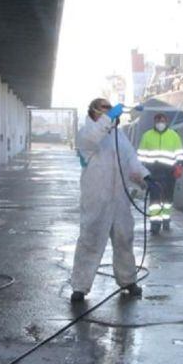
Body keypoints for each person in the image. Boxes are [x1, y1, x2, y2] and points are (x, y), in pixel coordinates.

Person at [70, 98, 147, 303]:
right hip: (97, 197)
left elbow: (131, 159)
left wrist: (144, 176)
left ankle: (128, 280)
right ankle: (80, 286)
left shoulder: (118, 135)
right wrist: (108, 119)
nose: (110, 110)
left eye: (110, 107)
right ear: (94, 111)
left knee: (124, 238)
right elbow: (92, 139)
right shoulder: (86, 133)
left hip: (119, 197)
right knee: (90, 240)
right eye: (105, 107)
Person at [137, 111, 183, 234]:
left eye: (162, 121)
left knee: (168, 198)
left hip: (169, 172)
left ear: (166, 122)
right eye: (158, 121)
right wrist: (141, 171)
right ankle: (155, 224)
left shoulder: (173, 136)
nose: (160, 123)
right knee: (155, 199)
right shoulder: (147, 136)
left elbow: (180, 153)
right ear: (154, 122)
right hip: (152, 172)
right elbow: (141, 155)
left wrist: (180, 166)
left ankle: (166, 220)